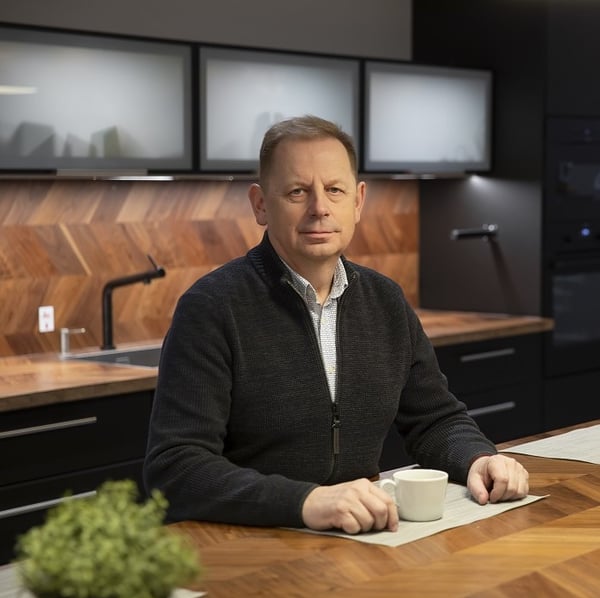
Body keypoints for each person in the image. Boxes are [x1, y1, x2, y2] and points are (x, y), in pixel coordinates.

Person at [143, 115, 529, 534]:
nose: (319, 208)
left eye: (334, 190)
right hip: (246, 546)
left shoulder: (385, 301)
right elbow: (176, 467)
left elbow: (435, 419)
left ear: (358, 201)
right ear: (259, 204)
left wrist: (478, 458)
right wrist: (306, 502)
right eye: (297, 192)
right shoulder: (211, 308)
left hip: (361, 538)